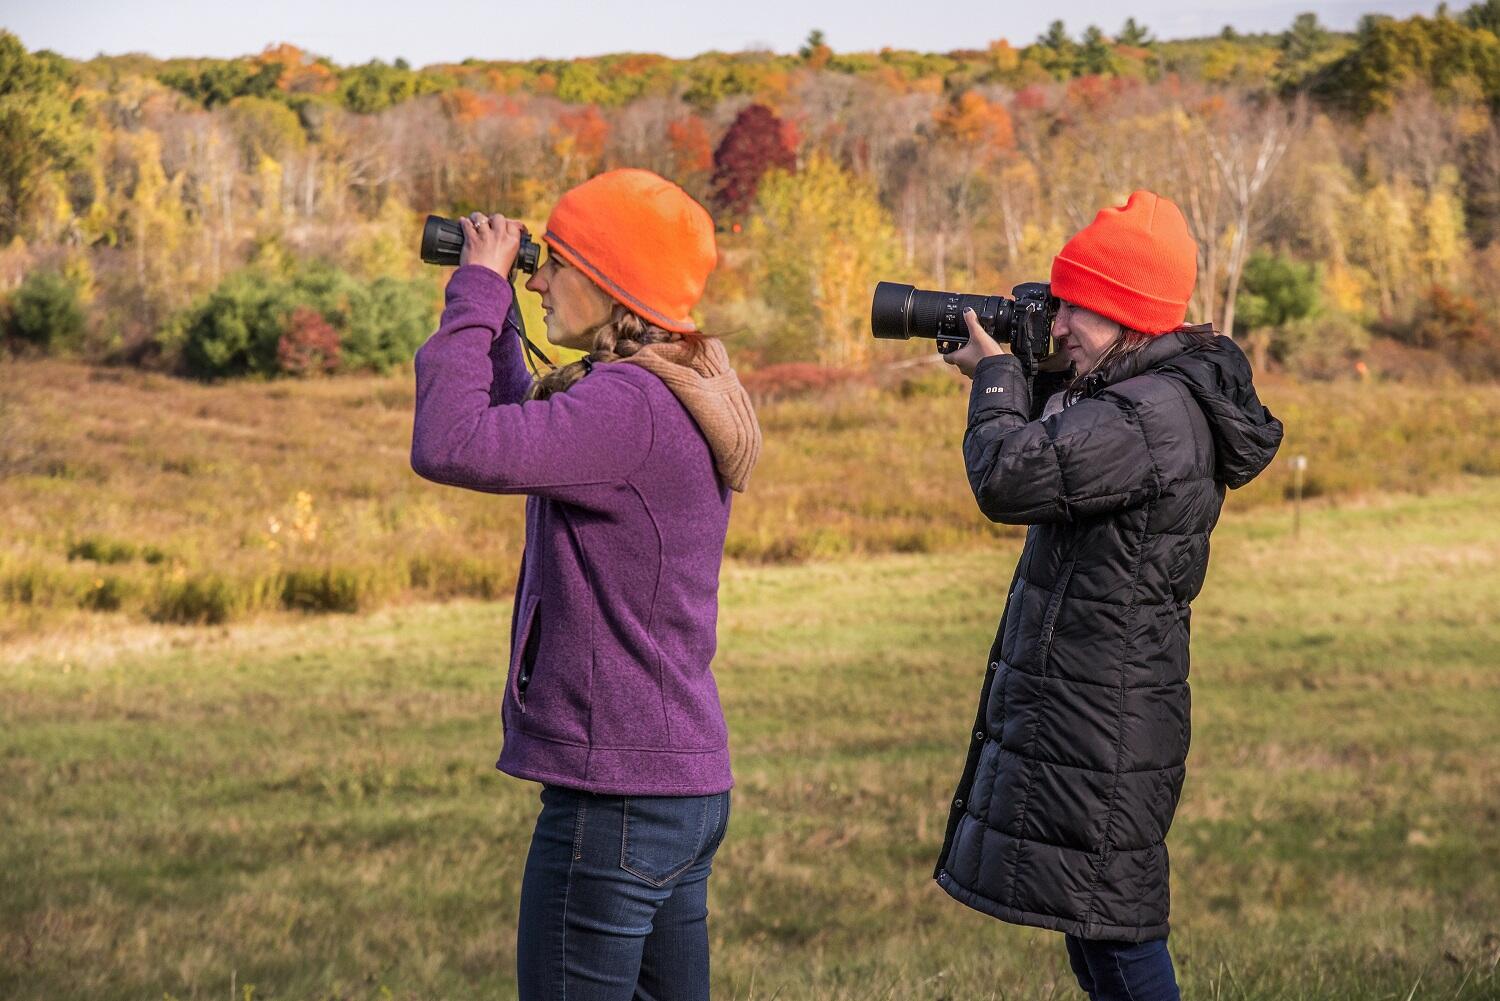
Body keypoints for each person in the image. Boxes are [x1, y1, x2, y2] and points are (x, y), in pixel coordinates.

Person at [409, 168, 761, 1001]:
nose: (535, 279)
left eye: (552, 264)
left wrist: (475, 288)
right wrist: (494, 317)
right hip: (676, 783)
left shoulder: (627, 408)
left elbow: (450, 441)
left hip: (616, 799)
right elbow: (520, 429)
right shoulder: (670, 388)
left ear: (612, 284)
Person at [934, 190, 1284, 1001]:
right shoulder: (1136, 395)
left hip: (1108, 714)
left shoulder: (1150, 414)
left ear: (1126, 314)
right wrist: (1032, 368)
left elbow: (1008, 474)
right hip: (1102, 703)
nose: (1057, 325)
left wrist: (993, 378)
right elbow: (1058, 444)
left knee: (1117, 936)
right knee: (1094, 933)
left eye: (1074, 310)